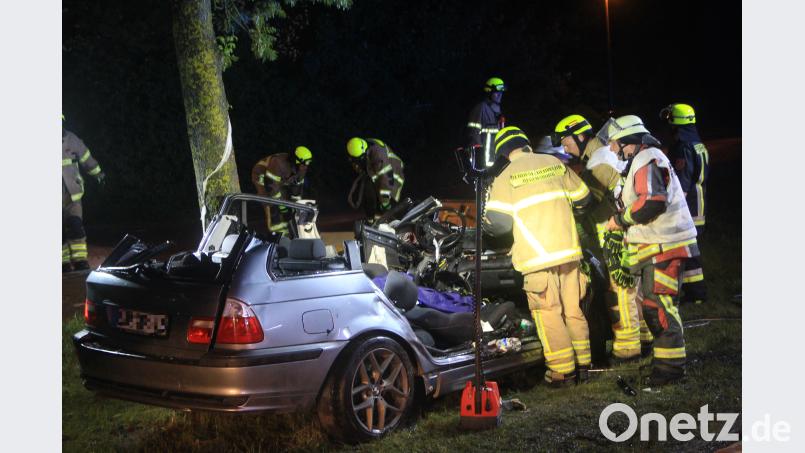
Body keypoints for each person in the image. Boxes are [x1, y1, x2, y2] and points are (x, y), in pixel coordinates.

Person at [483, 126, 592, 386]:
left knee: (548, 313)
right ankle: (585, 366)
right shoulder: (554, 163)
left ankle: (561, 372)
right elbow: (584, 199)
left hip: (536, 259)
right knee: (574, 310)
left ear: (503, 153)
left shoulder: (506, 176)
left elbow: (497, 224)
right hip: (569, 253)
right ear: (525, 144)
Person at [604, 115, 698, 385]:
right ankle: (666, 364)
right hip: (657, 246)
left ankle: (670, 371)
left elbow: (653, 202)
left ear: (630, 141)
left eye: (615, 143)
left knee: (660, 309)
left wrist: (620, 221)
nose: (612, 149)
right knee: (653, 307)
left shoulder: (648, 159)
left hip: (665, 246)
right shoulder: (643, 160)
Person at [553, 114, 641, 362]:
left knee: (620, 289)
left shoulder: (598, 161)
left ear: (581, 136)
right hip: (624, 231)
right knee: (632, 288)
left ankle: (627, 348)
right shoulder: (602, 155)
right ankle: (643, 337)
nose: (565, 146)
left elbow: (588, 202)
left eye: (566, 140)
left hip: (614, 233)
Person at [660, 103, 709, 304]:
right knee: (690, 250)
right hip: (699, 204)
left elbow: (682, 181)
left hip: (688, 206)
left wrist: (671, 206)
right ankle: (694, 293)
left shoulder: (683, 147)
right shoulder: (697, 143)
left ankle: (696, 294)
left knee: (687, 252)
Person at [62, 120, 105, 272]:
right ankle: (63, 262)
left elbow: (85, 157)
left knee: (75, 225)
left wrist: (98, 173)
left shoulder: (71, 139)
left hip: (72, 193)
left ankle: (80, 260)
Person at [250, 146, 312, 234]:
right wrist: (284, 209)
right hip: (262, 173)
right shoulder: (279, 164)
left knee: (286, 199)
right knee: (269, 200)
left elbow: (296, 189)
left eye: (308, 163)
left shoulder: (302, 167)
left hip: (280, 177)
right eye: (303, 163)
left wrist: (296, 207)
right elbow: (272, 188)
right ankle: (275, 229)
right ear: (295, 160)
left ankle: (289, 225)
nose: (305, 166)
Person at [346, 137, 404, 222]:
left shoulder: (378, 155)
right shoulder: (364, 146)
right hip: (379, 171)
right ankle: (371, 218)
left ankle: (393, 220)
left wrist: (385, 203)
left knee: (385, 202)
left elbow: (386, 180)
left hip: (393, 173)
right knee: (369, 189)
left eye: (358, 159)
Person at [465, 77, 506, 167]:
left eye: (501, 92)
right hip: (483, 164)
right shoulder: (480, 108)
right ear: (489, 92)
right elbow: (473, 135)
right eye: (496, 92)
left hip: (496, 163)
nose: (500, 95)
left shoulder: (498, 111)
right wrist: (477, 163)